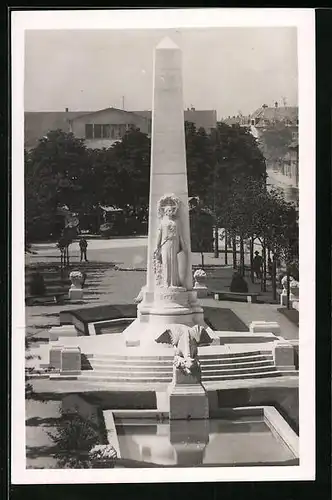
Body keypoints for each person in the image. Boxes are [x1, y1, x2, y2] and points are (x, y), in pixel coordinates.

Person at [155, 196, 187, 288]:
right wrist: (157, 246)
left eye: (171, 210)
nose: (170, 212)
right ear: (165, 212)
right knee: (166, 262)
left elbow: (180, 234)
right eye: (168, 210)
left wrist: (183, 245)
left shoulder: (176, 222)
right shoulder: (162, 222)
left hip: (174, 243)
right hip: (165, 244)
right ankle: (166, 282)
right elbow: (159, 235)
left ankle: (173, 282)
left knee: (173, 262)